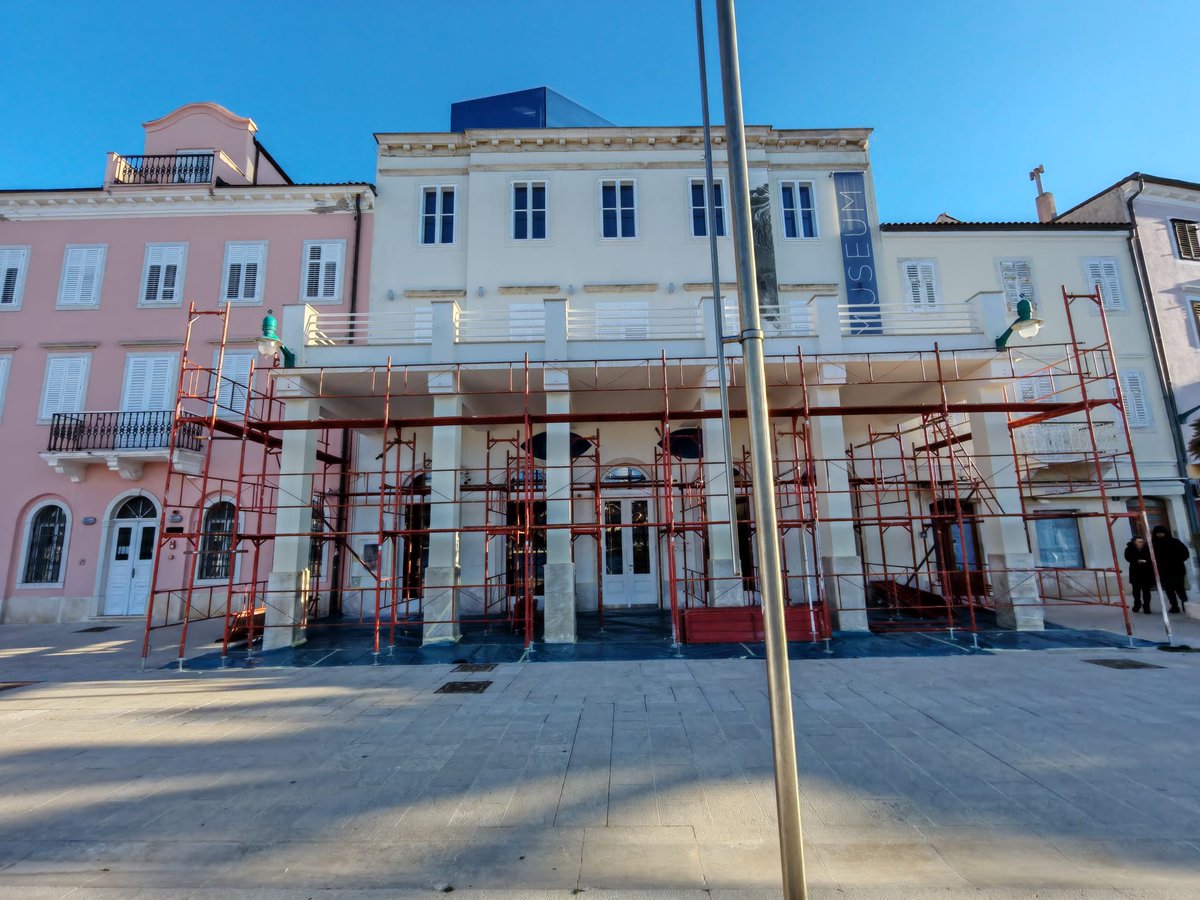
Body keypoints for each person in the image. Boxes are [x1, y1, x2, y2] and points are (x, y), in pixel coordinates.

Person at [1151, 525, 1190, 614]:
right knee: (1169, 590)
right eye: (1158, 533)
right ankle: (1174, 606)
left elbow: (1185, 553)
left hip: (1177, 571)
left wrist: (1176, 560)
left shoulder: (1175, 542)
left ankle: (1186, 605)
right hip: (1163, 572)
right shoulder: (1153, 544)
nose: (1160, 535)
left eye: (1162, 533)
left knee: (1180, 589)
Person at [1125, 535, 1155, 614]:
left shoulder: (1147, 548)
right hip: (1135, 572)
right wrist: (1136, 561)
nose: (1140, 543)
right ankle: (1137, 604)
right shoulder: (1129, 548)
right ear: (1135, 542)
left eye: (1142, 542)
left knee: (1146, 591)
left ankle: (1147, 606)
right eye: (1139, 542)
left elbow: (1152, 558)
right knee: (1136, 590)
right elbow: (1127, 557)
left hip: (1146, 572)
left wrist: (1146, 561)